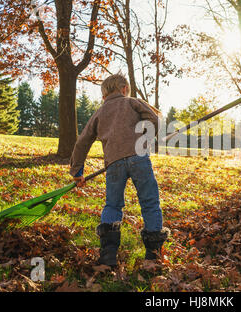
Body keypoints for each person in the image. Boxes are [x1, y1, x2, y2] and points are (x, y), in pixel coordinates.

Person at [69, 73, 169, 267]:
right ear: (124, 89)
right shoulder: (131, 102)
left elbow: (82, 142)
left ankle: (107, 257)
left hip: (113, 163)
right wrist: (145, 138)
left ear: (104, 94)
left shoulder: (99, 112)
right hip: (139, 159)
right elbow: (155, 121)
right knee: (149, 203)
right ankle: (153, 257)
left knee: (113, 205)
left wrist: (77, 172)